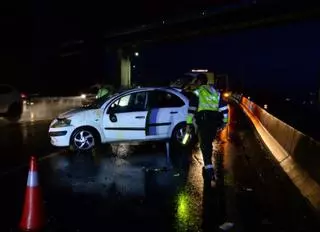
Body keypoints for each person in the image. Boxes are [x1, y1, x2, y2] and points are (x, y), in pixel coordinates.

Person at [185, 73, 229, 186]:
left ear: (200, 81)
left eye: (197, 81)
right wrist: (224, 122)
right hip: (214, 123)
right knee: (207, 144)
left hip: (203, 122)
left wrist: (189, 123)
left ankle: (209, 171)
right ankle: (208, 167)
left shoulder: (197, 92)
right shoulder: (215, 92)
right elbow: (224, 108)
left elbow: (191, 109)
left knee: (205, 145)